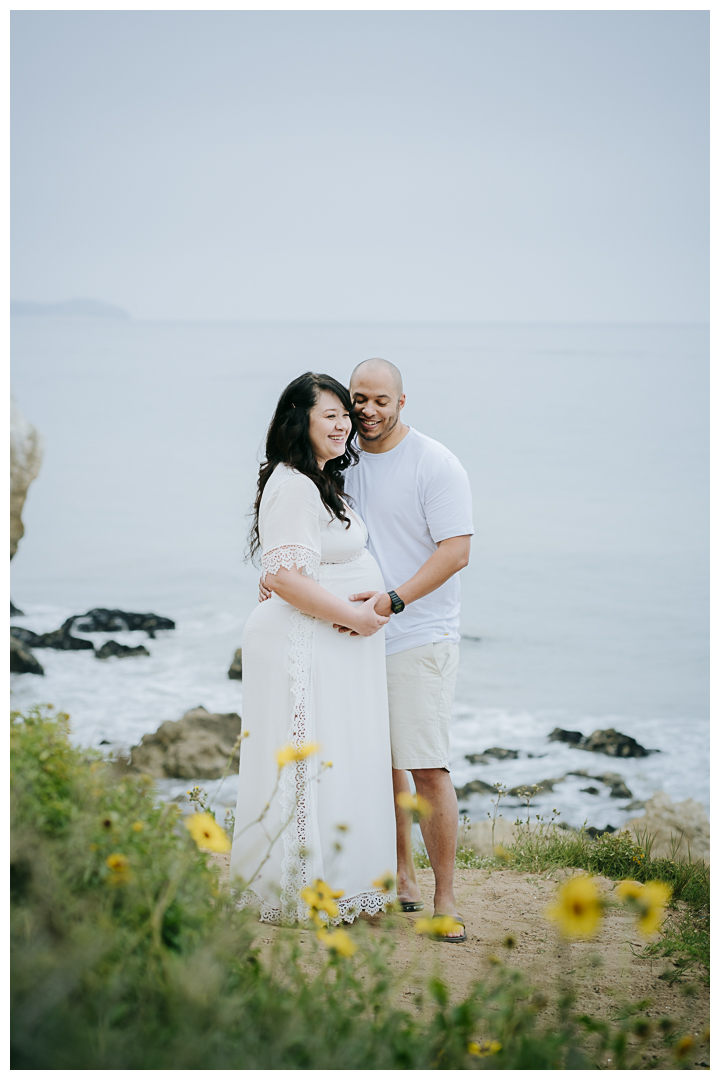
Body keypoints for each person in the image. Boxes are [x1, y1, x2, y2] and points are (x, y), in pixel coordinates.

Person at [229, 372, 397, 926]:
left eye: (345, 415)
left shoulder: (317, 480)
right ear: (298, 421)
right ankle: (299, 889)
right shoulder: (295, 482)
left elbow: (294, 564)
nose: (345, 424)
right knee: (307, 765)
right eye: (331, 415)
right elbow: (282, 577)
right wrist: (355, 615)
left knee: (332, 761)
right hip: (301, 647)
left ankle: (338, 885)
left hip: (326, 647)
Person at [340, 358, 473, 943]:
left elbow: (456, 552)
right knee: (379, 766)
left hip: (419, 635)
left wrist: (394, 601)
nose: (367, 410)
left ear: (400, 402)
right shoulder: (341, 460)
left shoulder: (435, 464)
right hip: (354, 634)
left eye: (379, 400)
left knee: (426, 767)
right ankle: (401, 876)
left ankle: (445, 897)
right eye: (357, 399)